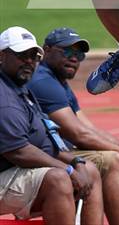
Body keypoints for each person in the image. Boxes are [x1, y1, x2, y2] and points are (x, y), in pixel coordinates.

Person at [28, 27, 119, 225]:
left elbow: (88, 127)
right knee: (115, 160)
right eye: (67, 51)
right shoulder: (43, 80)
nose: (74, 58)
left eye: (79, 54)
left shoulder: (58, 81)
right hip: (46, 155)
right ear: (46, 50)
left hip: (61, 151)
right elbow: (77, 134)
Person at [0, 26, 103, 225]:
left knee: (88, 169)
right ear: (2, 56)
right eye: (22, 55)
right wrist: (68, 170)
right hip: (5, 172)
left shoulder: (20, 89)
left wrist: (76, 163)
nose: (29, 61)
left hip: (15, 170)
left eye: (33, 56)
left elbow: (47, 141)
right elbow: (18, 151)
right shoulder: (4, 96)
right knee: (57, 179)